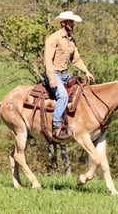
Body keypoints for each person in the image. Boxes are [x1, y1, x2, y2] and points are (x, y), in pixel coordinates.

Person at [44, 11, 95, 140]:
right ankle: (56, 126)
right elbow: (47, 61)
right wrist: (51, 78)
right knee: (63, 95)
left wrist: (86, 71)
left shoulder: (72, 40)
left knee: (82, 92)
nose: (73, 24)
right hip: (54, 74)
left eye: (73, 22)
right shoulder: (53, 38)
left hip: (65, 75)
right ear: (63, 23)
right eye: (71, 22)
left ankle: (79, 124)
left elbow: (76, 59)